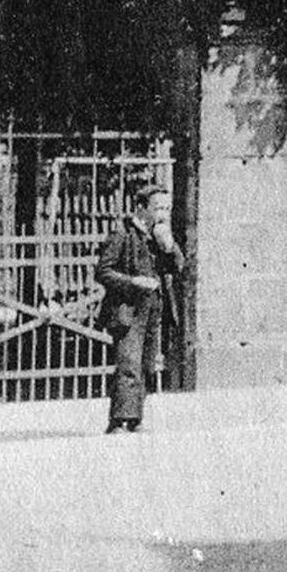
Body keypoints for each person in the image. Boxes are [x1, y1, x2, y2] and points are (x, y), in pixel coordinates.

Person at [95, 182, 179, 433]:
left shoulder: (159, 236)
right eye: (158, 208)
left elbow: (179, 267)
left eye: (167, 208)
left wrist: (169, 247)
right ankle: (118, 420)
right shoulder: (122, 233)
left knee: (146, 364)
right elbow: (103, 271)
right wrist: (133, 282)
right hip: (128, 308)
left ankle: (135, 418)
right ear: (141, 208)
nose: (163, 214)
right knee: (128, 363)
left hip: (153, 308)